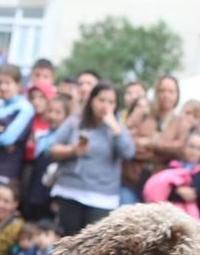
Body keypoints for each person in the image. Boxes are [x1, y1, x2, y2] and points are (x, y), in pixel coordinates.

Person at [49, 83, 136, 235]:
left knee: (93, 246)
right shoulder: (76, 120)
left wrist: (116, 129)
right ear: (92, 100)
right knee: (69, 242)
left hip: (102, 196)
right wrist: (73, 150)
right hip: (71, 190)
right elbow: (51, 149)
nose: (105, 106)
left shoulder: (117, 126)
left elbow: (128, 153)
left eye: (111, 102)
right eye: (101, 100)